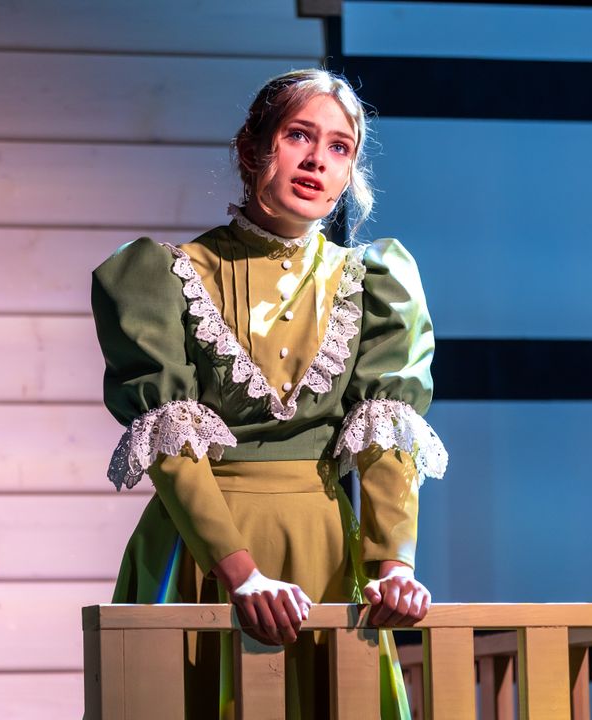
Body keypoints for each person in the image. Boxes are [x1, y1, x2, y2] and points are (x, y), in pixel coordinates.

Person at [91, 68, 448, 719]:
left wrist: (393, 565)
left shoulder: (376, 281)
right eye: (298, 136)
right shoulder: (164, 275)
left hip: (323, 548)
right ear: (251, 148)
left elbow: (386, 440)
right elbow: (171, 443)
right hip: (203, 555)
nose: (317, 160)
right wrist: (239, 572)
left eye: (339, 146)